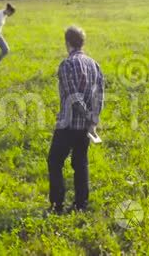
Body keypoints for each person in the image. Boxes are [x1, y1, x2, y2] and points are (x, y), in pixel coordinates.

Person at [48, 26, 105, 214]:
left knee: (55, 161)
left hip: (68, 124)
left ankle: (57, 205)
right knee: (80, 163)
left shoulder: (67, 64)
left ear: (68, 43)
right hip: (85, 128)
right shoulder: (95, 65)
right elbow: (100, 96)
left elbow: (73, 96)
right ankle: (81, 204)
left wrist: (87, 115)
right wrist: (93, 121)